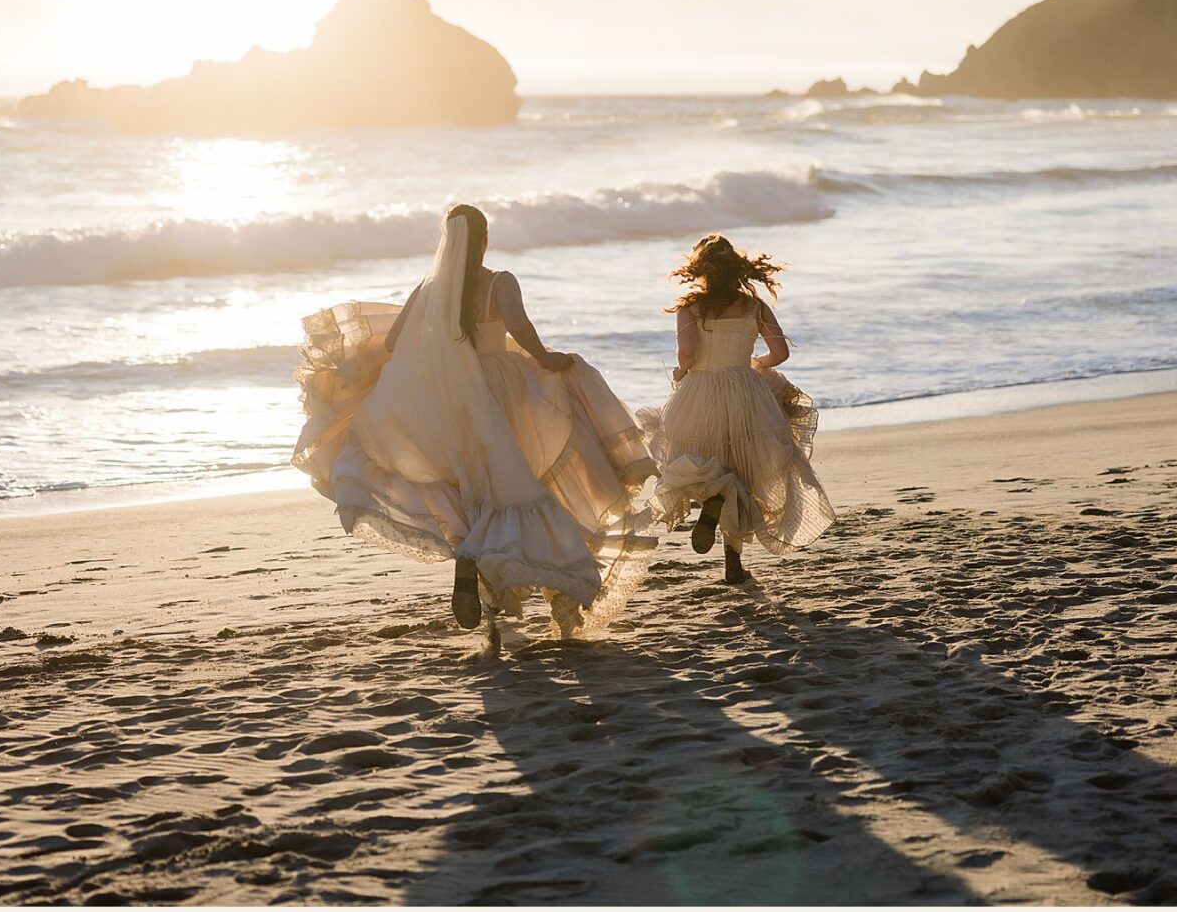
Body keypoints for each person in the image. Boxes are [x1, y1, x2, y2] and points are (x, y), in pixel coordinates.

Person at [293, 204, 656, 638]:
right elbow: (519, 329)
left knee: (472, 485)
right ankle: (557, 594)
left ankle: (469, 562)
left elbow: (393, 342)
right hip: (503, 388)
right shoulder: (500, 282)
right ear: (484, 240)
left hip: (449, 397)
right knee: (525, 482)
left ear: (447, 241)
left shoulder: (430, 289)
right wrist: (545, 359)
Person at [639, 234, 835, 583]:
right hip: (746, 391)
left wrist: (683, 373)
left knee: (698, 462)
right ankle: (734, 564)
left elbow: (687, 353)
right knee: (744, 473)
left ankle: (712, 503)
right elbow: (780, 353)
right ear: (738, 270)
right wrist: (754, 363)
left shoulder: (690, 307)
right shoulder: (753, 306)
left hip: (699, 392)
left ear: (700, 270)